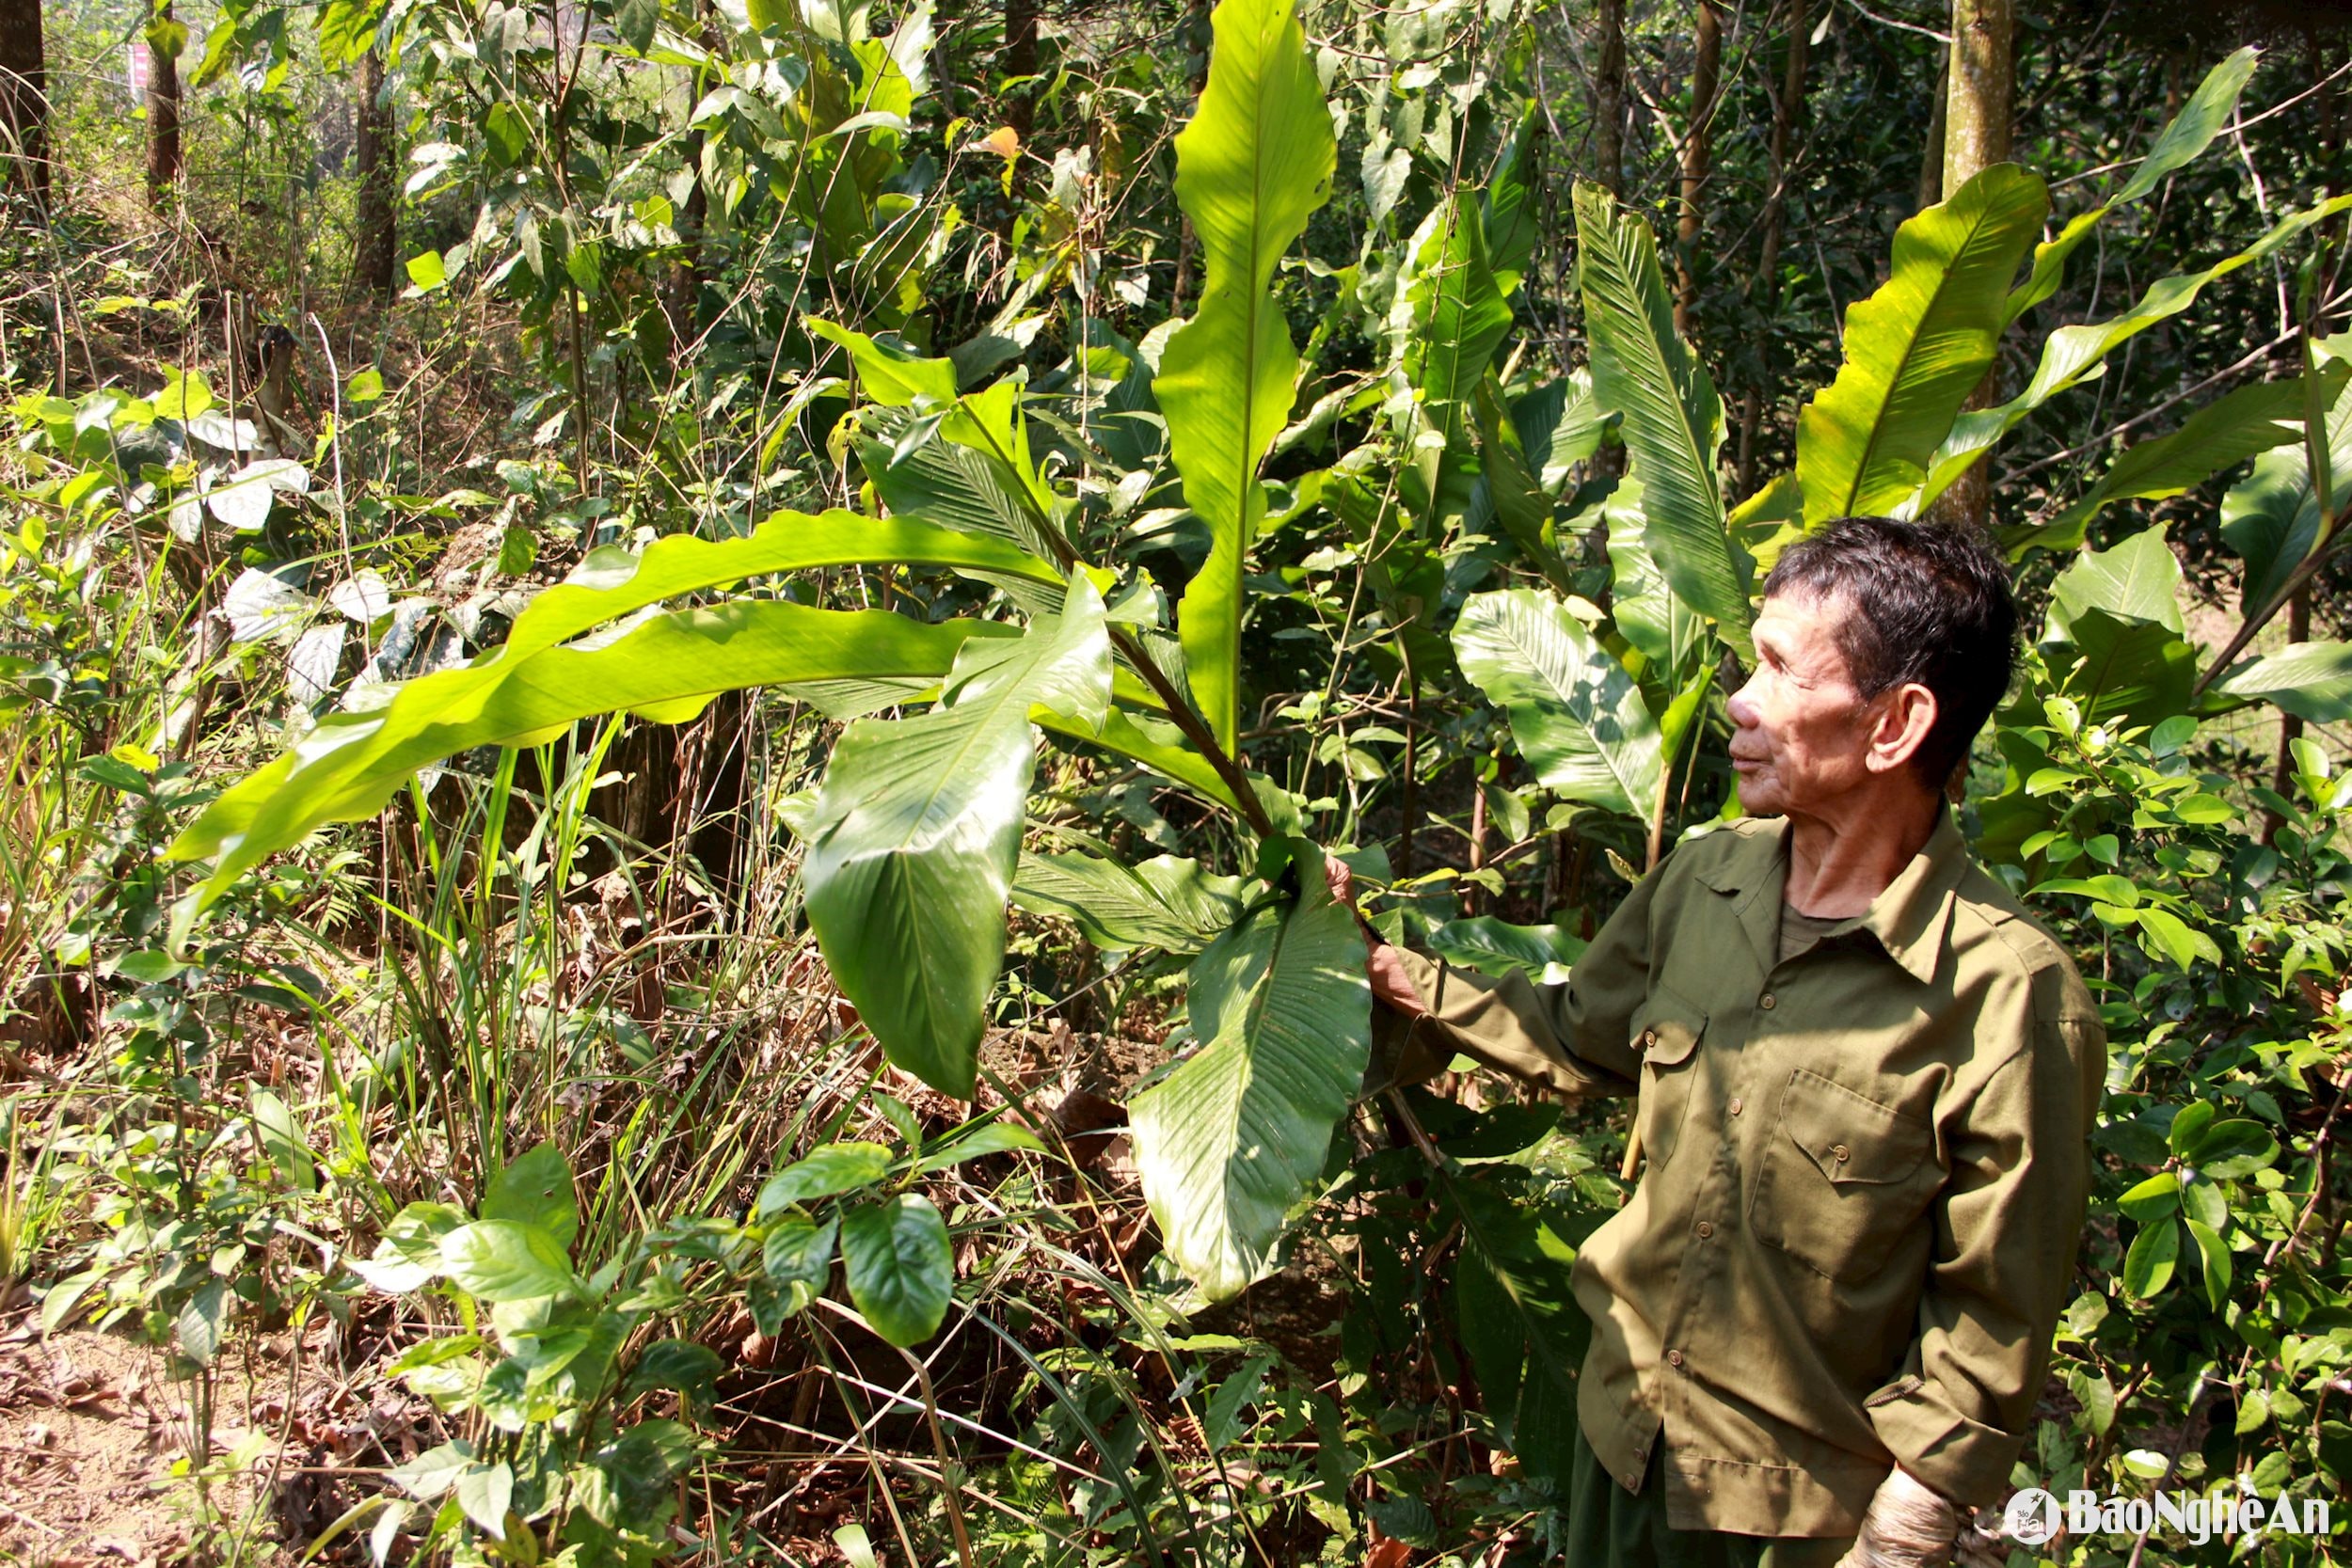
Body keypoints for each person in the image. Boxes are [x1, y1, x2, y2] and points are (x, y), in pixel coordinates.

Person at [1347, 517, 2106, 1567]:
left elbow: (1990, 1317)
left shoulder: (2006, 998)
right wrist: (1384, 969)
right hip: (1619, 1440)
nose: (1739, 701)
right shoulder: (1706, 880)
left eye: (1779, 668)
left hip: (1794, 1520)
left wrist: (1904, 1535)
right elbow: (1577, 1037)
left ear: (1895, 725)